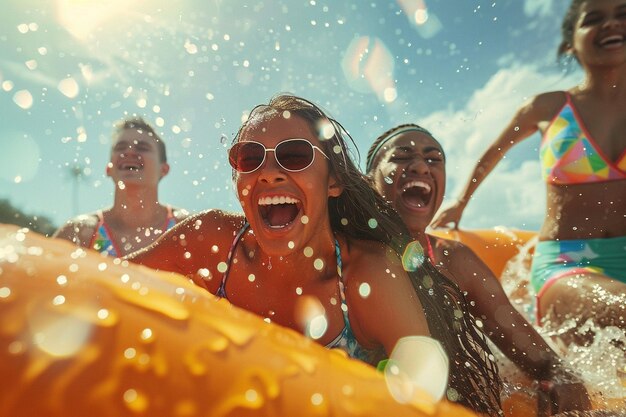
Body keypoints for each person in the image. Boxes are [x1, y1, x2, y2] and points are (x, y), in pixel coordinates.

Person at [128, 94, 503, 415]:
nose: (269, 172)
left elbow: (419, 399)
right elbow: (103, 283)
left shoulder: (366, 275)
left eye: (294, 155)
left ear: (334, 182)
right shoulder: (208, 244)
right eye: (249, 158)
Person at [366, 124, 591, 415]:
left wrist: (562, 380)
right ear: (368, 180)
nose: (421, 166)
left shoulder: (455, 260)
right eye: (401, 156)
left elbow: (543, 360)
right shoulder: (348, 256)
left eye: (434, 159)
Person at [432, 0, 626, 336]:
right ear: (570, 43)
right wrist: (460, 203)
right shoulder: (548, 107)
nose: (610, 24)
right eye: (593, 19)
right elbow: (493, 152)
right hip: (570, 263)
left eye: (622, 14)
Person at [53, 117, 189, 257]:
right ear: (108, 168)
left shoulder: (186, 228)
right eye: (120, 148)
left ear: (164, 169)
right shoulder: (79, 232)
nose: (129, 152)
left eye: (142, 148)